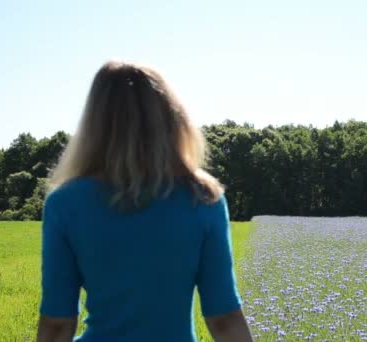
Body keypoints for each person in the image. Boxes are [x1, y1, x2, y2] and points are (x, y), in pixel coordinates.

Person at [36, 60, 253, 342]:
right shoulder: (203, 198)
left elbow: (57, 324)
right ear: (170, 119)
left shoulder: (64, 203)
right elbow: (224, 319)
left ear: (95, 122)